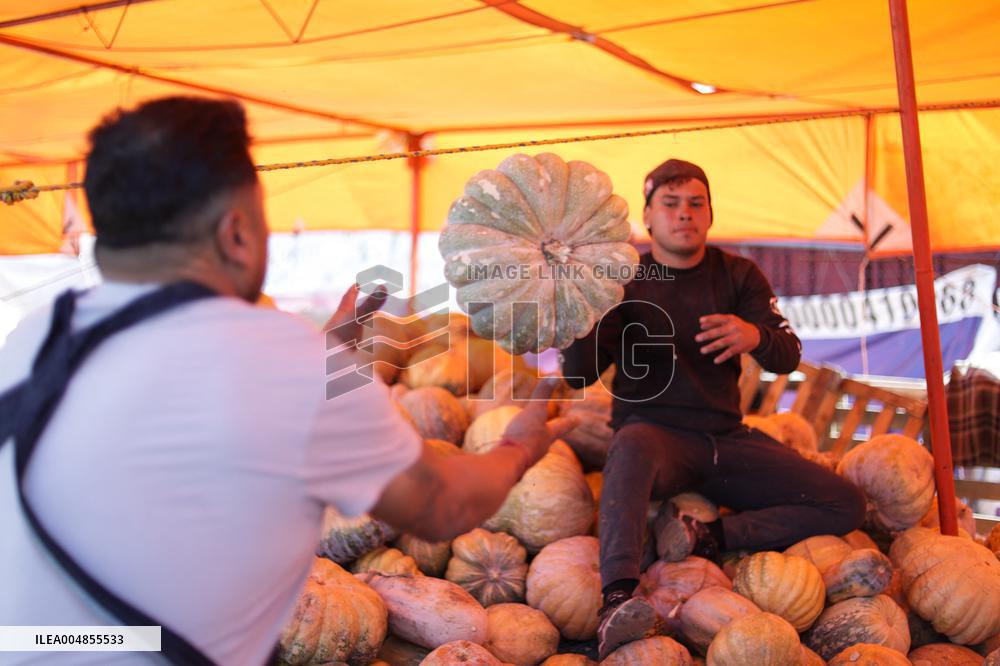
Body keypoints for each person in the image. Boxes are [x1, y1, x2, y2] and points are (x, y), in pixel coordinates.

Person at [0, 96, 574, 665]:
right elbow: (442, 507)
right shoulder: (278, 361)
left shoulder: (35, 339)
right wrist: (521, 445)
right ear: (236, 231)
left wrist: (337, 339)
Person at [560, 158, 866, 659]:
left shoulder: (737, 275)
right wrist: (585, 308)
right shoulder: (622, 280)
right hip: (655, 438)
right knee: (632, 441)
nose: (685, 213)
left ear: (709, 214)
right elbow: (578, 374)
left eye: (696, 203)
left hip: (725, 440)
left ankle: (710, 536)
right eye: (671, 203)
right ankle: (616, 598)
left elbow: (787, 352)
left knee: (845, 502)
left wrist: (755, 335)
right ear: (649, 217)